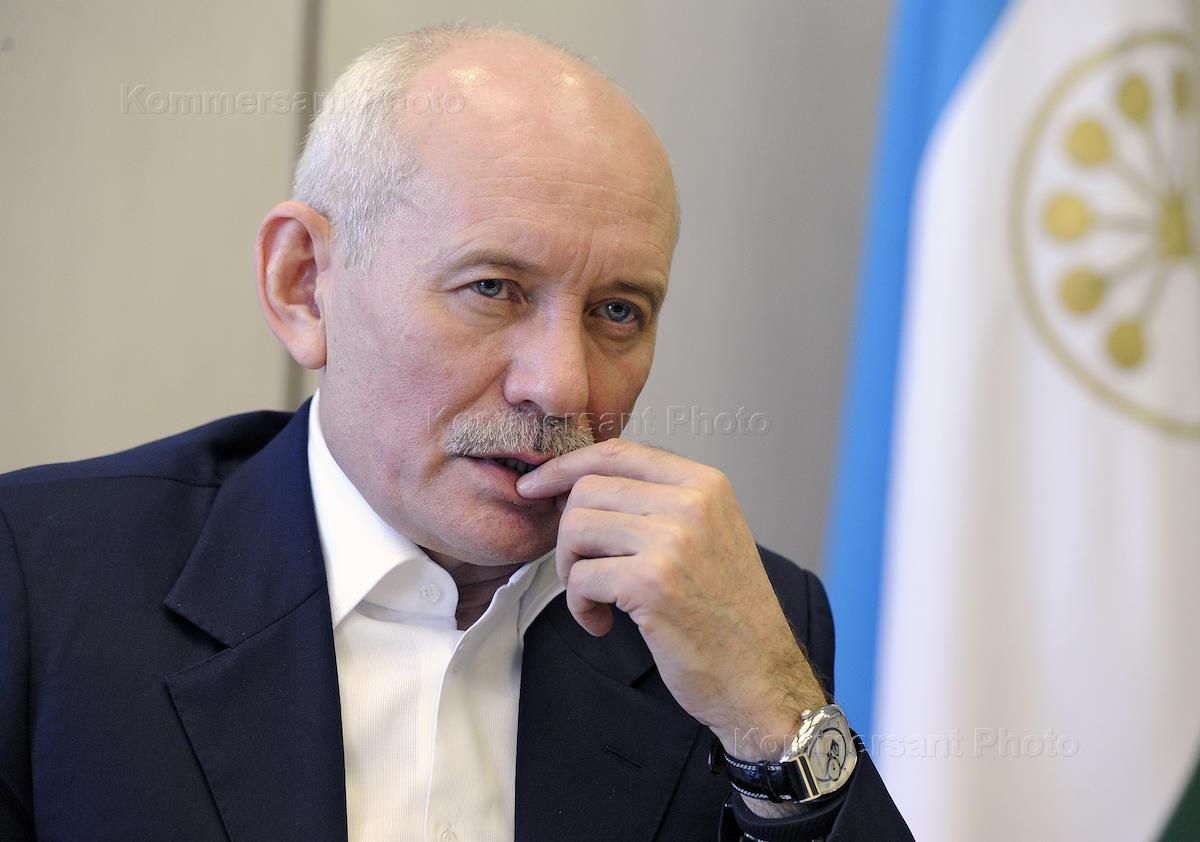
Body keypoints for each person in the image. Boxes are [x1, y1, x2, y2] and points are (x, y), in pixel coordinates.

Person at [0, 24, 911, 841]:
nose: (561, 385)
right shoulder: (40, 584)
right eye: (493, 288)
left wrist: (772, 720)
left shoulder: (734, 616)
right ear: (304, 285)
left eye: (617, 311)